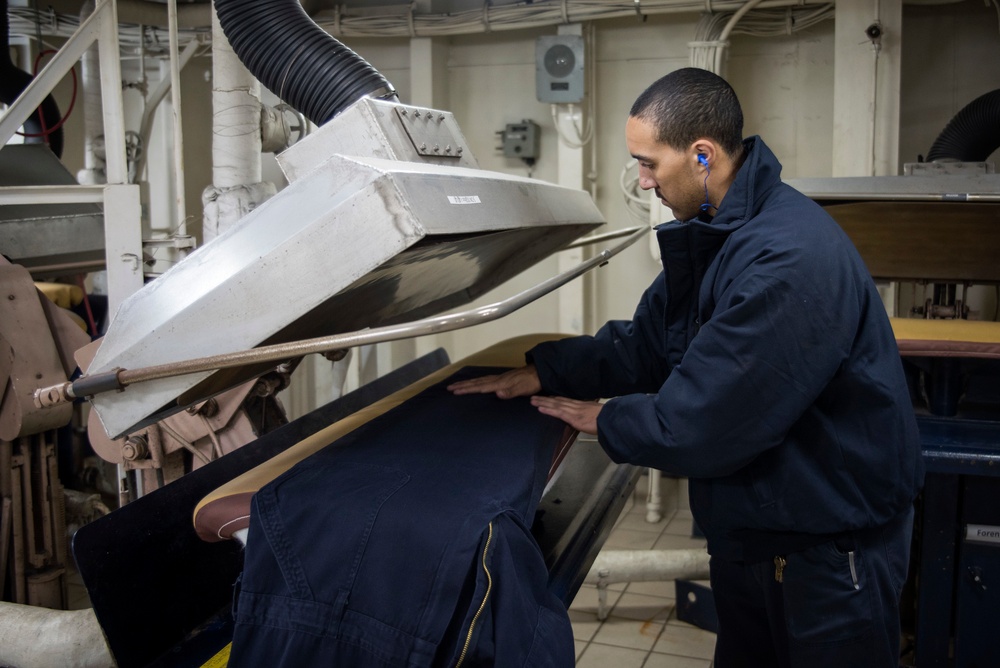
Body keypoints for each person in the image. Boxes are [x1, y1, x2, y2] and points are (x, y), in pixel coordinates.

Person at [449, 67, 924, 668]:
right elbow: (647, 344)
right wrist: (548, 371)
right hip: (759, 528)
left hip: (829, 543)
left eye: (649, 164)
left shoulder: (787, 256)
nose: (644, 182)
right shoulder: (720, 232)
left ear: (702, 155)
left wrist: (606, 418)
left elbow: (705, 421)